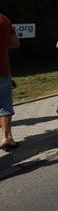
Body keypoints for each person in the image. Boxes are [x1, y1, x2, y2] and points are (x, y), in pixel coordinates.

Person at [1, 13, 20, 149]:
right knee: (4, 103)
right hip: (2, 69)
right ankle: (7, 137)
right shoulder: (3, 19)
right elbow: (15, 42)